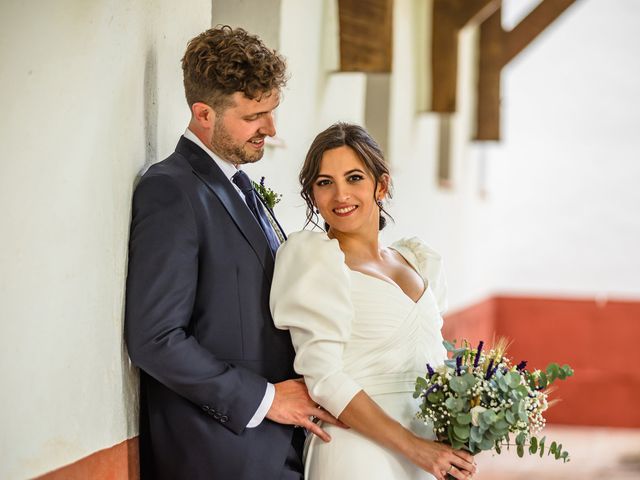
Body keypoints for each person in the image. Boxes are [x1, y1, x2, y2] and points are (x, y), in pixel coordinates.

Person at [124, 26, 340, 480]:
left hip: (275, 448)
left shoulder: (240, 185)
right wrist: (267, 399)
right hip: (218, 453)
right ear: (204, 113)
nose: (271, 128)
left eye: (273, 110)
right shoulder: (171, 191)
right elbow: (155, 338)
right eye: (254, 116)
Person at [270, 123, 478, 480]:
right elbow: (324, 377)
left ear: (380, 185)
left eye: (354, 178)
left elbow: (432, 360)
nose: (340, 196)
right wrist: (416, 448)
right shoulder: (314, 260)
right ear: (312, 195)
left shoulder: (417, 259)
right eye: (324, 183)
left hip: (429, 454)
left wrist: (467, 421)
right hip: (359, 452)